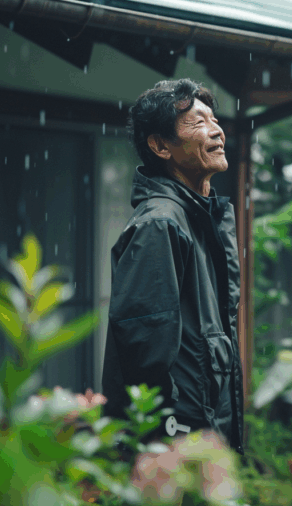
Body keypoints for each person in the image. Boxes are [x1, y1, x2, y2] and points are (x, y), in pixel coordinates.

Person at [102, 79, 243, 455]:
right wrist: (168, 445)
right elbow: (146, 359)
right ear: (160, 146)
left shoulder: (199, 219)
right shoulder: (160, 223)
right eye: (197, 123)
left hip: (206, 439)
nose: (216, 131)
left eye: (214, 120)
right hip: (179, 448)